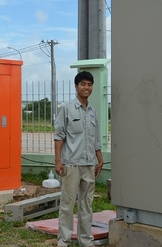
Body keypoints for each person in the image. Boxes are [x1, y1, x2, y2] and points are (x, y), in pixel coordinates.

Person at [54, 71, 104, 247]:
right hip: (71, 165)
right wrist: (58, 160)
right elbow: (59, 135)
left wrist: (100, 159)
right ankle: (63, 241)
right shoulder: (66, 109)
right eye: (83, 84)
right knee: (67, 204)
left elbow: (95, 139)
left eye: (89, 84)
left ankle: (86, 241)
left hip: (89, 165)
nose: (87, 87)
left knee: (87, 205)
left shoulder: (93, 112)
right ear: (76, 86)